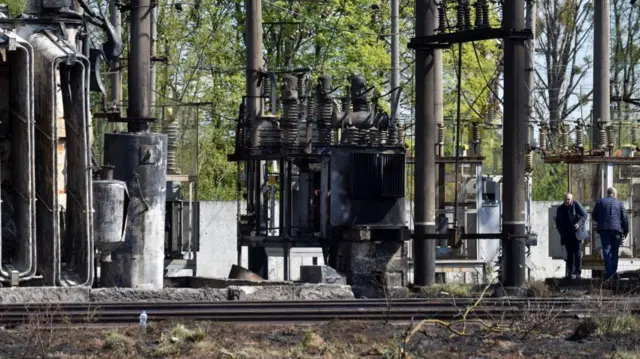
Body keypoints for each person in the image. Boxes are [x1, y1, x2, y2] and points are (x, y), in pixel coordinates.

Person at [592, 187, 629, 280]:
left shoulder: (600, 202)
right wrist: (626, 230)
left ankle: (609, 273)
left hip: (604, 230)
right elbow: (624, 218)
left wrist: (600, 221)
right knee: (615, 252)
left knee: (606, 250)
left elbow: (594, 215)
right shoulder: (619, 203)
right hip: (616, 230)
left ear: (608, 193)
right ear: (614, 194)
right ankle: (613, 273)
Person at [555, 193, 588, 279]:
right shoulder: (560, 208)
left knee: (577, 253)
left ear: (572, 199)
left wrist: (578, 224)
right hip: (567, 234)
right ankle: (570, 273)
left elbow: (584, 215)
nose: (567, 201)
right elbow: (557, 222)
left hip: (576, 234)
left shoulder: (576, 205)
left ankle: (577, 273)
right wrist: (561, 232)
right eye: (565, 199)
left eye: (569, 199)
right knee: (569, 254)